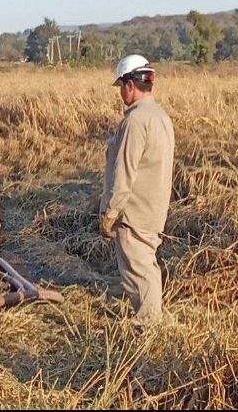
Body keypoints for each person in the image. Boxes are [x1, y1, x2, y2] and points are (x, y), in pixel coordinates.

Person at [101, 54, 175, 326]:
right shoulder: (160, 116)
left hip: (135, 211)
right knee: (147, 266)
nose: (120, 92)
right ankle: (152, 319)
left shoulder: (135, 121)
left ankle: (149, 325)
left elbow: (124, 172)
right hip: (154, 207)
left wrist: (111, 212)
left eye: (121, 85)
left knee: (139, 269)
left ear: (130, 85)